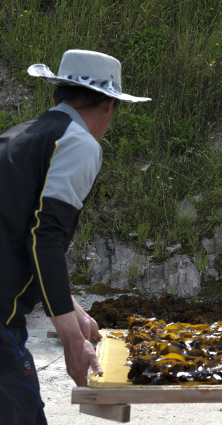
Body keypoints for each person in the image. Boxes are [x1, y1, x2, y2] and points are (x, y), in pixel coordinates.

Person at [0, 50, 150, 424]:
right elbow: (45, 237)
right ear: (111, 105)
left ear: (55, 96)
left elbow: (15, 234)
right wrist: (72, 339)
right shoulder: (79, 143)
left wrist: (72, 308)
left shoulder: (15, 138)